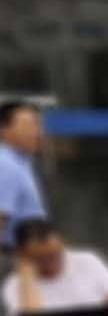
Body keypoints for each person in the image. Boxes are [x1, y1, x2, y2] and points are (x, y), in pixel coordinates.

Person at [0, 102, 46, 251]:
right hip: (13, 255)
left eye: (37, 125)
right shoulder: (5, 164)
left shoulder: (20, 162)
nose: (36, 132)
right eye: (27, 126)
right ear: (3, 129)